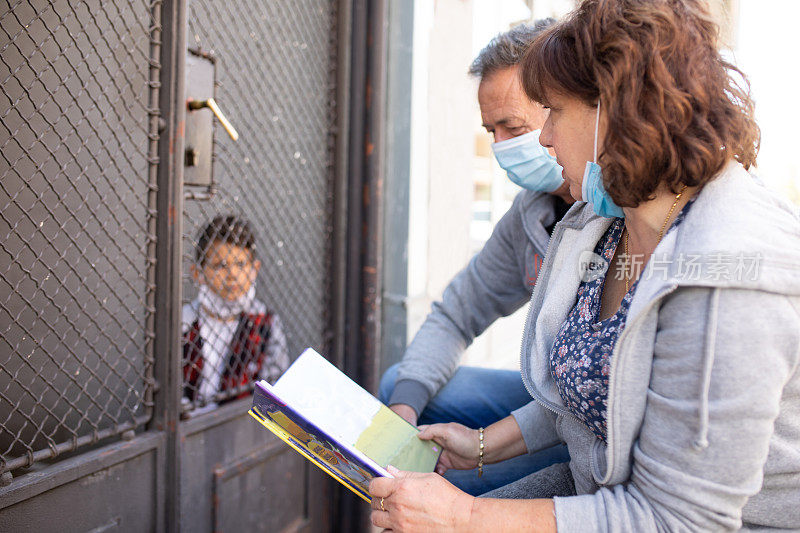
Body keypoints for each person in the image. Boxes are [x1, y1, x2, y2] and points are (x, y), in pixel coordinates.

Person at [368, 1, 800, 531]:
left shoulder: (728, 271)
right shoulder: (604, 222)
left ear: (615, 110)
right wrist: (481, 446)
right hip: (600, 482)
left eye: (552, 111)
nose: (543, 139)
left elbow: (678, 520)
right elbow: (587, 391)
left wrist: (465, 515)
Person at [378, 19, 572, 496]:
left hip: (595, 422)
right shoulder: (530, 213)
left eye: (514, 127)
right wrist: (405, 408)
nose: (502, 147)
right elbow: (456, 313)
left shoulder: (618, 212)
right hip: (552, 401)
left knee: (453, 484)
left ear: (562, 109)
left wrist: (484, 449)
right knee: (396, 387)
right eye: (491, 131)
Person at [182, 215, 289, 407]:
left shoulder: (265, 323)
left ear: (255, 268)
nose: (232, 275)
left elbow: (276, 387)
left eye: (240, 264)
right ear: (198, 273)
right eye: (220, 265)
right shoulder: (184, 323)